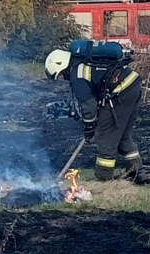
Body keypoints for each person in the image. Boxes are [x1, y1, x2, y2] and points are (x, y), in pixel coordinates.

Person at [45, 44, 143, 181]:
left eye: (60, 74)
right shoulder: (82, 65)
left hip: (120, 93)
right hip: (133, 87)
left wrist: (89, 126)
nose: (62, 78)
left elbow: (88, 105)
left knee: (104, 137)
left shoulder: (77, 75)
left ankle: (104, 178)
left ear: (62, 65)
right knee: (123, 136)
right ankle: (136, 172)